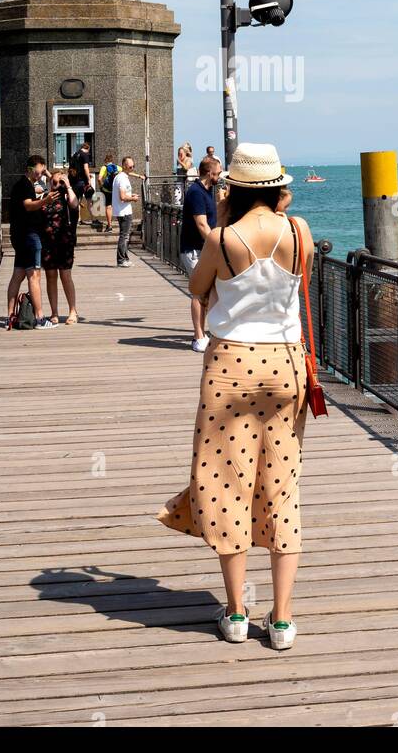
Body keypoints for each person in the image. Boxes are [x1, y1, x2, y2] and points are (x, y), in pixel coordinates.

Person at [158, 142, 313, 652]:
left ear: (235, 188)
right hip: (286, 363)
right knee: (281, 483)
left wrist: (224, 222)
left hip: (231, 366)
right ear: (278, 188)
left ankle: (238, 612)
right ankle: (284, 620)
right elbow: (297, 283)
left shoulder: (223, 238)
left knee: (229, 482)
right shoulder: (299, 231)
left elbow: (198, 289)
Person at [6, 155, 58, 332]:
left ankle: (10, 316)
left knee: (18, 275)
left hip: (19, 235)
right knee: (34, 276)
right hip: (30, 235)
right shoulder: (26, 185)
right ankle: (40, 318)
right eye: (38, 171)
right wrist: (46, 201)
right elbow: (28, 205)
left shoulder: (22, 185)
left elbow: (27, 201)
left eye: (42, 171)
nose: (40, 174)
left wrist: (42, 192)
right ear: (30, 168)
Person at [178, 156, 222, 352]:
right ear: (209, 173)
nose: (220, 176)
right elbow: (202, 224)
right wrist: (217, 246)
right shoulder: (196, 192)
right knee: (199, 291)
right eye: (218, 173)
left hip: (203, 249)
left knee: (209, 291)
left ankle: (207, 332)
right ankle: (198, 337)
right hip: (193, 249)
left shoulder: (208, 191)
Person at [41, 167, 79, 324]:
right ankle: (54, 312)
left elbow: (75, 204)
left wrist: (68, 185)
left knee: (65, 275)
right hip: (48, 242)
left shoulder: (66, 195)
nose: (56, 184)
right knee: (50, 276)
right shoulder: (45, 196)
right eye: (54, 182)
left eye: (59, 182)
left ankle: (72, 311)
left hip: (64, 241)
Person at [112, 156, 138, 267]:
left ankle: (124, 258)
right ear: (124, 166)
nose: (132, 168)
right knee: (124, 236)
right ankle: (121, 260)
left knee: (125, 235)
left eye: (133, 166)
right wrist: (133, 199)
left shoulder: (121, 177)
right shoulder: (122, 178)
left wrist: (131, 195)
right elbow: (122, 197)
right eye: (130, 166)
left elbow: (122, 195)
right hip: (124, 211)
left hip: (122, 210)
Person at [68, 140, 93, 235]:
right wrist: (89, 179)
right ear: (88, 148)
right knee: (89, 198)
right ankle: (93, 219)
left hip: (74, 181)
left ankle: (78, 219)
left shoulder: (75, 154)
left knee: (77, 199)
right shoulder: (84, 155)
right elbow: (86, 168)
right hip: (82, 181)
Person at [98, 152, 118, 230]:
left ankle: (109, 225)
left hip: (107, 190)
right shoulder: (117, 167)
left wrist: (101, 187)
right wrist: (139, 176)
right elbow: (127, 172)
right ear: (112, 160)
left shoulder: (104, 167)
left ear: (105, 160)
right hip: (115, 190)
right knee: (116, 206)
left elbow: (99, 179)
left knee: (108, 207)